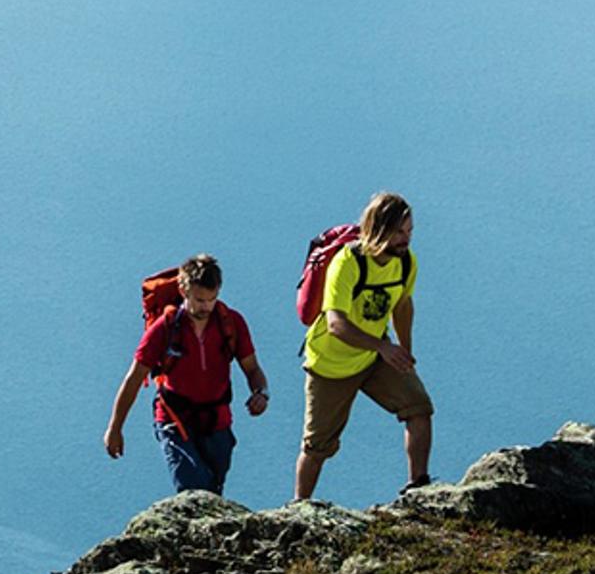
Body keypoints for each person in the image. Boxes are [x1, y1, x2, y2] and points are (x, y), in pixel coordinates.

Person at [294, 193, 431, 503]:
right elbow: (335, 324)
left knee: (419, 408)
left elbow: (403, 304)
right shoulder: (347, 262)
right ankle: (298, 508)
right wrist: (385, 347)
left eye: (409, 231)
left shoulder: (406, 263)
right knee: (317, 447)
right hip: (330, 365)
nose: (405, 240)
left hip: (373, 356)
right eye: (398, 232)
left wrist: (404, 351)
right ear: (377, 229)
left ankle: (419, 487)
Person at [103, 253, 270, 496]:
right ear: (184, 290)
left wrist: (261, 393)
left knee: (213, 491)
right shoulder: (165, 329)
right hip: (175, 419)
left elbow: (253, 369)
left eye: (212, 299)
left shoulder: (231, 323)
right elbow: (134, 378)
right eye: (200, 300)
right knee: (192, 488)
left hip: (217, 420)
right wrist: (115, 428)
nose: (206, 307)